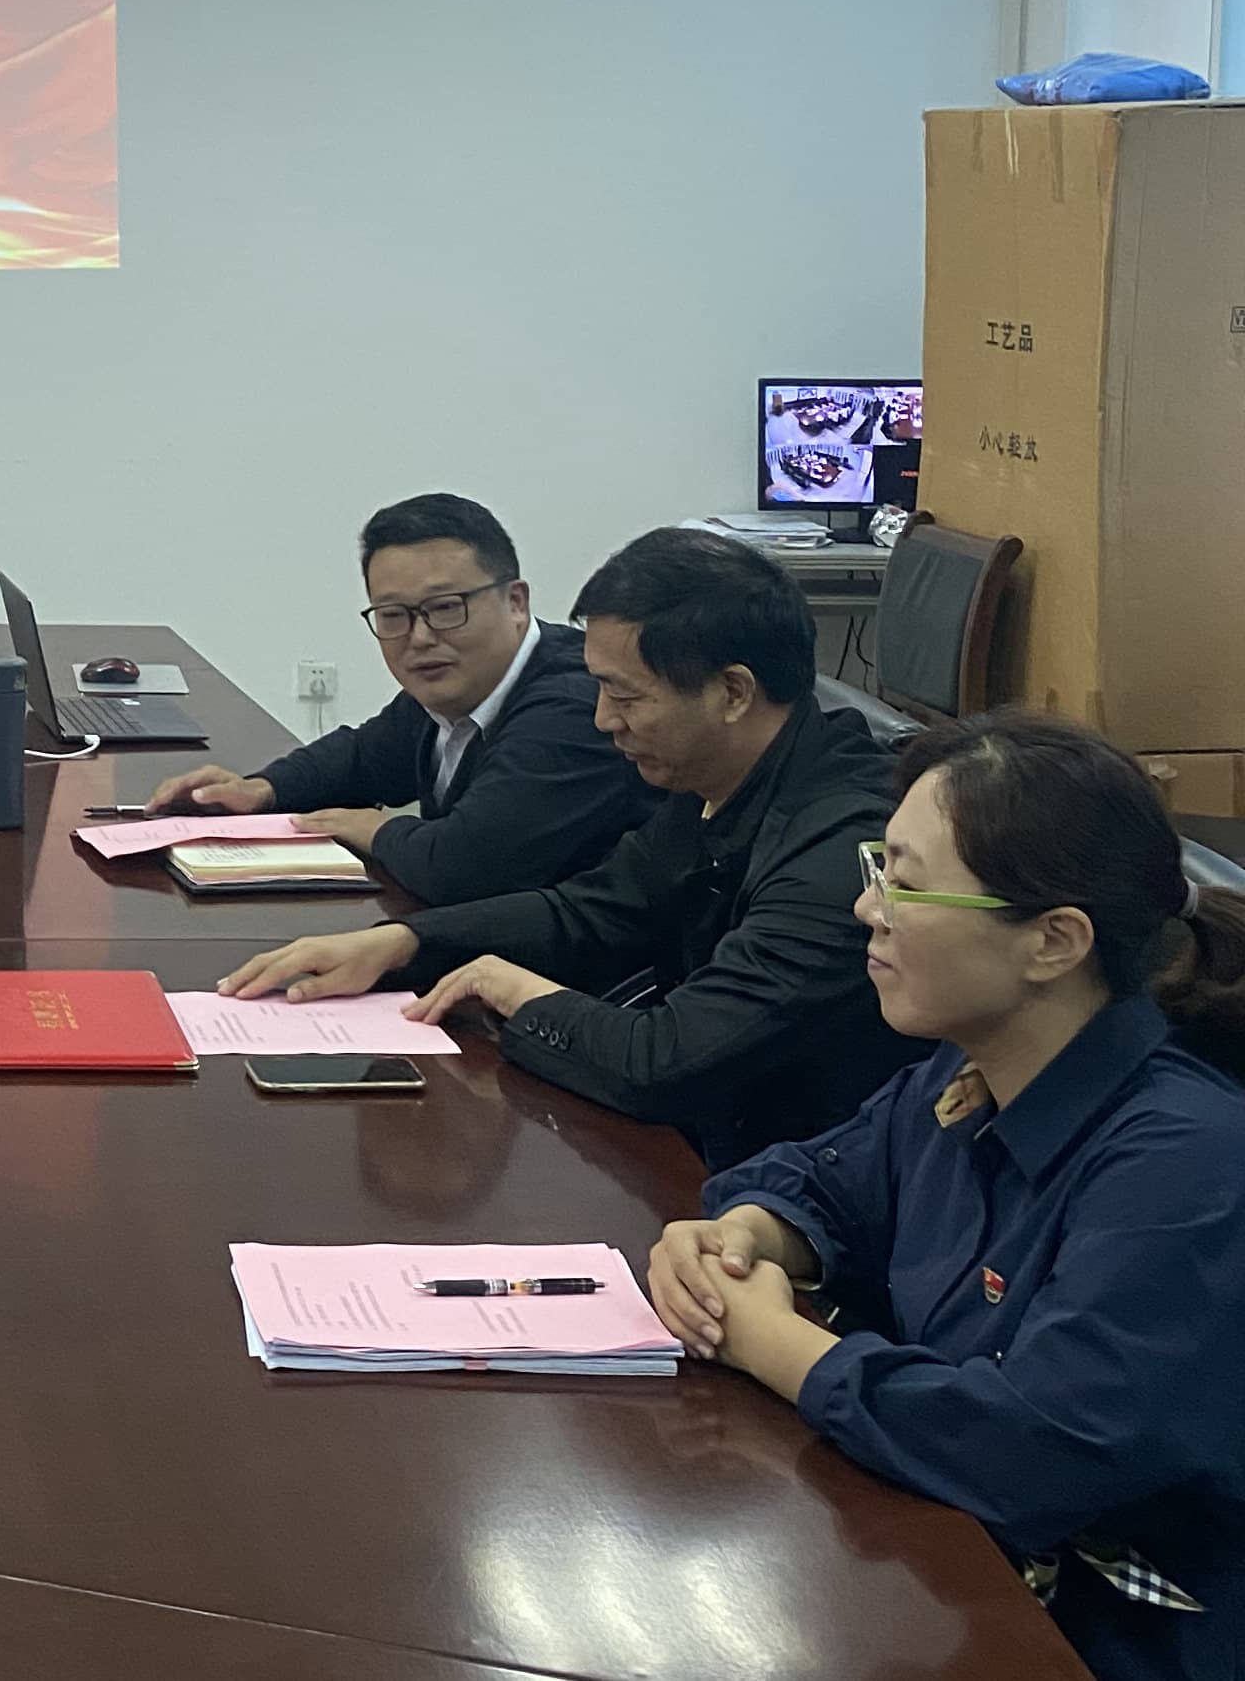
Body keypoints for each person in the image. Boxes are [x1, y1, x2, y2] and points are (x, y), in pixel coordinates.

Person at [649, 713, 1245, 1681]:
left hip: (1117, 1638)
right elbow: (823, 1179)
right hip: (955, 1572)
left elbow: (1030, 1447)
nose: (866, 909)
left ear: (1054, 941)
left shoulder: (1187, 1160)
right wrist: (745, 1235)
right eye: (878, 865)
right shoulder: (964, 1073)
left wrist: (769, 1340)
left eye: (907, 883)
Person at [222, 526, 922, 1165]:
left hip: (800, 1187)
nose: (603, 719)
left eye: (626, 696)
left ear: (733, 693)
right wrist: (405, 943)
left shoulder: (847, 849)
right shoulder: (716, 777)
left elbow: (667, 1061)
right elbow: (592, 910)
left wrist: (516, 991)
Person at [148, 494, 651, 903]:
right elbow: (363, 755)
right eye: (393, 615)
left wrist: (375, 828)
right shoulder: (454, 685)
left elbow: (463, 867)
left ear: (516, 602)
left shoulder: (575, 705)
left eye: (446, 608)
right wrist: (261, 790)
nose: (420, 637)